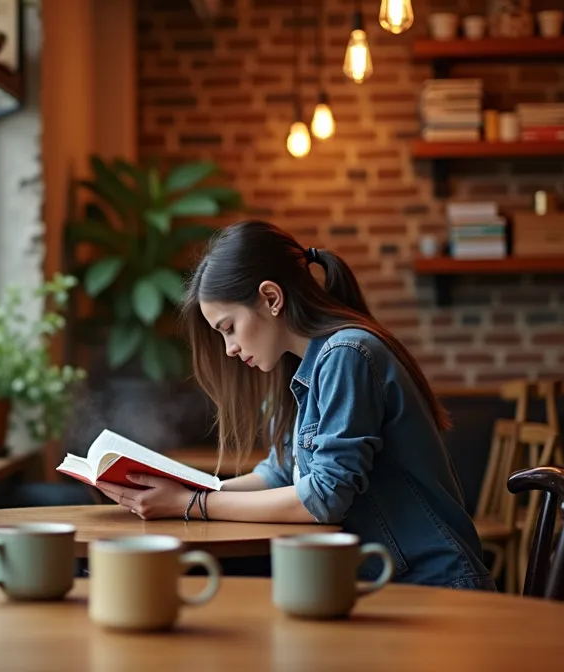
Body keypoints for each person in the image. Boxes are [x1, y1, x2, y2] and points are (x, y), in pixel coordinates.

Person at [94, 220, 495, 590]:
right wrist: (187, 489)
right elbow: (281, 472)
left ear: (271, 297)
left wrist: (191, 504)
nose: (230, 349)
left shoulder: (348, 354)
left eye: (229, 328)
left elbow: (324, 498)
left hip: (434, 585)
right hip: (382, 581)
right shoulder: (306, 367)